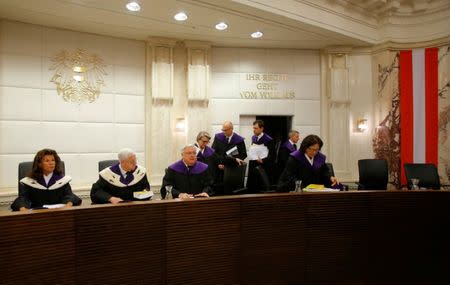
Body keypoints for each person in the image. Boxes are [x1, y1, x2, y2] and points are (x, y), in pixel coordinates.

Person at [11, 148, 81, 211]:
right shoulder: (29, 181)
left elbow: (69, 195)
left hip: (58, 213)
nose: (51, 163)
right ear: (39, 164)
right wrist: (23, 209)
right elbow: (23, 198)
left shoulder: (62, 180)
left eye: (53, 160)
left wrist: (68, 204)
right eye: (47, 161)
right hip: (36, 215)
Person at [277, 134, 342, 192]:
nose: (314, 152)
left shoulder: (319, 157)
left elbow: (325, 172)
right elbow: (289, 177)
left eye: (317, 150)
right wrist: (303, 187)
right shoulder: (295, 157)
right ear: (305, 147)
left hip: (315, 190)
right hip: (296, 190)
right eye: (312, 149)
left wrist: (331, 177)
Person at [211, 121, 247, 195]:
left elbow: (243, 155)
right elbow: (213, 152)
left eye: (225, 130)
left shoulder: (239, 140)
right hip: (219, 169)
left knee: (230, 192)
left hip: (232, 169)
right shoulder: (218, 137)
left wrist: (232, 161)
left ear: (231, 129)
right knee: (219, 192)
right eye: (223, 130)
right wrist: (219, 163)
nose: (223, 132)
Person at [246, 120, 276, 193]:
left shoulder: (268, 139)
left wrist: (263, 160)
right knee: (252, 187)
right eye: (253, 128)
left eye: (256, 128)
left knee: (260, 188)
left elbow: (273, 155)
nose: (254, 130)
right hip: (253, 164)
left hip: (263, 166)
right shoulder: (253, 138)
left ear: (261, 128)